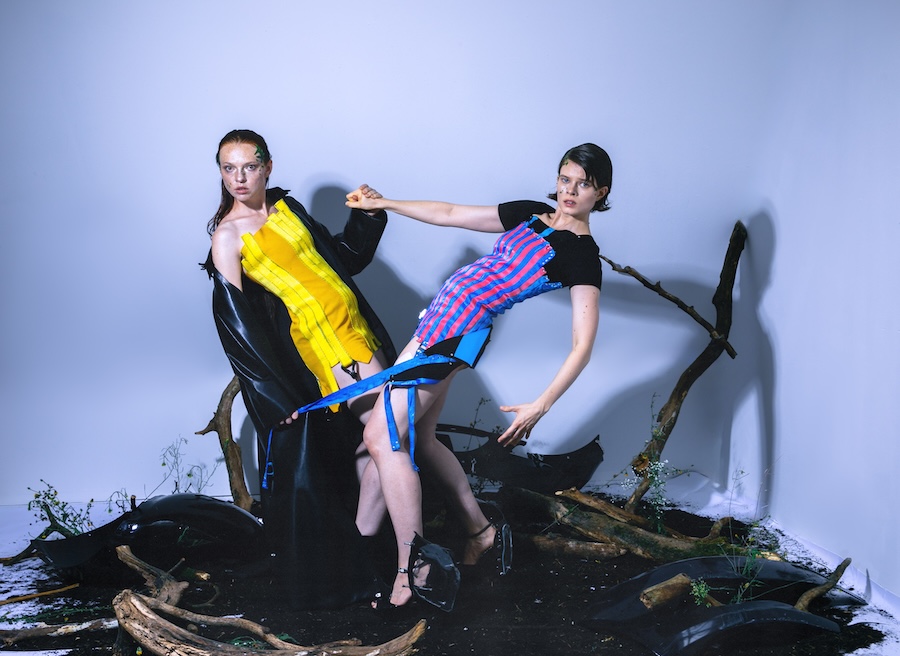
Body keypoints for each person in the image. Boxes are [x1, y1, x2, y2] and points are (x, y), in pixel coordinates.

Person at [346, 143, 612, 609]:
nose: (569, 191)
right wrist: (384, 203)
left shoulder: (582, 255)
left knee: (381, 436)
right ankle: (479, 531)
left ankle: (413, 569)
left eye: (583, 184)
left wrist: (541, 404)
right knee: (417, 441)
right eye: (564, 179)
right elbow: (450, 213)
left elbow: (582, 345)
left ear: (601, 192)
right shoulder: (530, 213)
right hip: (434, 324)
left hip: (454, 336)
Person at [201, 129, 396, 609]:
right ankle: (365, 555)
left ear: (268, 167)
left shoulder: (288, 209)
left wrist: (367, 218)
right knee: (390, 436)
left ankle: (366, 556)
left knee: (377, 443)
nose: (239, 178)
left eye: (249, 166)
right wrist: (271, 395)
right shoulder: (227, 236)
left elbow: (340, 262)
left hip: (357, 329)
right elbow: (236, 326)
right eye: (229, 168)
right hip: (327, 346)